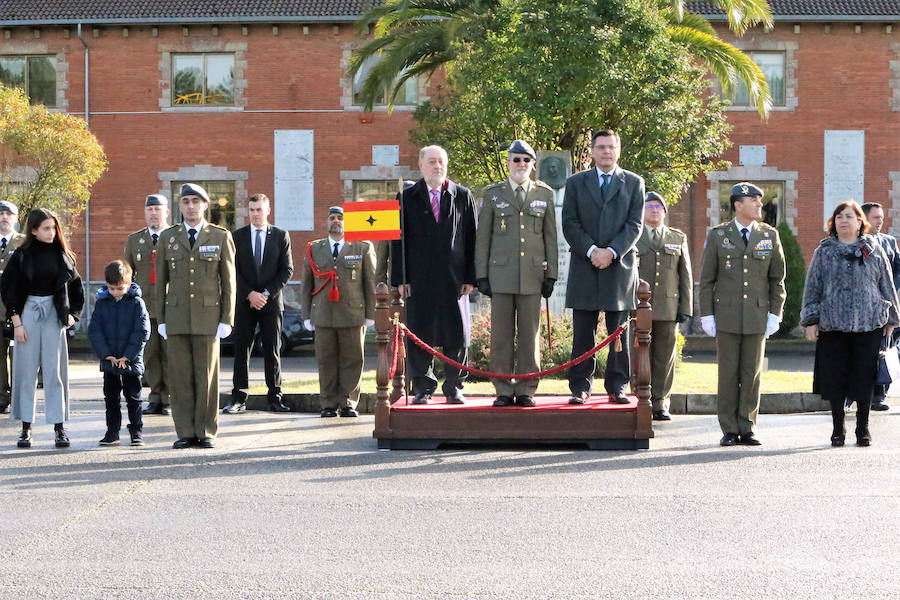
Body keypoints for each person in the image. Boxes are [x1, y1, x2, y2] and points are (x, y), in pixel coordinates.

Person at [800, 201, 899, 446]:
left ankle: (863, 428)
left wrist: (892, 319)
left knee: (864, 378)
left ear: (859, 223)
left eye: (849, 216)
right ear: (833, 223)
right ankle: (837, 427)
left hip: (869, 324)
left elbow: (886, 284)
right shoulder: (823, 252)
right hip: (833, 325)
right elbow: (813, 287)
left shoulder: (873, 250)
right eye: (839, 217)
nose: (843, 221)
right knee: (836, 377)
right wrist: (811, 320)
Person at [699, 182, 786, 446]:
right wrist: (707, 315)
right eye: (754, 201)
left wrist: (775, 313)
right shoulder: (718, 235)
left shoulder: (769, 235)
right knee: (728, 373)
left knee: (752, 373)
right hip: (726, 315)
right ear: (738, 204)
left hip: (757, 316)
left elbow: (777, 279)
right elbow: (707, 280)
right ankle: (728, 428)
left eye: (760, 201)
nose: (760, 204)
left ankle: (747, 426)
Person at [390, 145, 478, 405]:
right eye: (431, 162)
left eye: (441, 161)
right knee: (420, 333)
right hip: (419, 279)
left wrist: (471, 277)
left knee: (456, 335)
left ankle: (454, 386)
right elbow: (398, 242)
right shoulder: (406, 197)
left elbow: (473, 237)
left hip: (455, 280)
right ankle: (423, 387)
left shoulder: (462, 196)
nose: (437, 166)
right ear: (420, 166)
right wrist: (401, 278)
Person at [562, 129, 644, 405]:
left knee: (617, 333)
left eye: (611, 147)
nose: (606, 152)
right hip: (585, 266)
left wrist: (611, 251)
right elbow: (570, 223)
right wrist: (591, 251)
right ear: (592, 151)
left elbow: (635, 225)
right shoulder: (575, 183)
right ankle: (580, 387)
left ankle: (617, 385)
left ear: (618, 150)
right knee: (583, 333)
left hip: (618, 268)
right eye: (601, 147)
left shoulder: (634, 183)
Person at [475, 140, 558, 407]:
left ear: (533, 164)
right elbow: (483, 237)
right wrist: (482, 275)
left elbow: (550, 238)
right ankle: (501, 388)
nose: (521, 165)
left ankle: (526, 388)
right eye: (516, 160)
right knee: (500, 335)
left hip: (533, 275)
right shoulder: (493, 194)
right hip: (500, 274)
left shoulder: (544, 194)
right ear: (508, 163)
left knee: (529, 335)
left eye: (526, 160)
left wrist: (551, 275)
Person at [155, 183, 236, 449]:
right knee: (180, 377)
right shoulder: (169, 237)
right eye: (186, 201)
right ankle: (185, 431)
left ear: (205, 205)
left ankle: (206, 430)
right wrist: (162, 319)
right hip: (177, 317)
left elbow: (229, 281)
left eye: (195, 201)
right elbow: (160, 282)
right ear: (179, 206)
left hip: (208, 317)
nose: (190, 206)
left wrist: (227, 318)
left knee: (207, 377)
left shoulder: (220, 236)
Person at [0, 208, 84, 448]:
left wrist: (72, 316)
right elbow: (8, 288)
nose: (51, 233)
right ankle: (26, 427)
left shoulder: (63, 255)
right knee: (25, 371)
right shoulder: (21, 255)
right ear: (34, 230)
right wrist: (16, 321)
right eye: (46, 228)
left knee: (55, 372)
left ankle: (59, 427)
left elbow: (76, 288)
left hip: (54, 315)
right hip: (27, 312)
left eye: (53, 228)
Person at [301, 206, 375, 417]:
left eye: (340, 218)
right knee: (326, 360)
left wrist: (370, 314)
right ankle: (328, 403)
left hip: (352, 313)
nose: (336, 221)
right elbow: (307, 284)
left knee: (353, 359)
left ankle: (348, 402)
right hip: (323, 314)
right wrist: (306, 315)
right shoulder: (314, 248)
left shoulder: (361, 247)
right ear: (327, 222)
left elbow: (369, 283)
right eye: (332, 217)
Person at [223, 193, 294, 414]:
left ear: (268, 210)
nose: (255, 214)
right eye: (252, 210)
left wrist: (264, 293)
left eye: (259, 210)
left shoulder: (281, 235)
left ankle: (275, 397)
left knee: (272, 350)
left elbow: (287, 270)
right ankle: (238, 398)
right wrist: (250, 294)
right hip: (245, 303)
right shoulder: (237, 236)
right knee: (242, 349)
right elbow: (231, 270)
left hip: (271, 303)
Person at [635, 191, 692, 421]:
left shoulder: (677, 238)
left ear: (665, 212)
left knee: (664, 356)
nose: (654, 210)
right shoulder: (634, 236)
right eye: (650, 206)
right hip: (638, 307)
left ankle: (660, 402)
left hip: (668, 306)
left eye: (659, 207)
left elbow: (685, 275)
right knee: (638, 354)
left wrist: (685, 308)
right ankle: (639, 398)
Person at [88, 260, 151, 446]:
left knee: (134, 398)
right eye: (112, 289)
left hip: (130, 360)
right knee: (111, 398)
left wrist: (128, 356)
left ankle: (136, 431)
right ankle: (112, 432)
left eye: (120, 289)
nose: (116, 293)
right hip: (111, 360)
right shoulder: (102, 303)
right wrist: (106, 354)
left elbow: (142, 331)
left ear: (129, 284)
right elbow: (95, 331)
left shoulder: (137, 303)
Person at [124, 194, 171, 416]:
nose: (154, 214)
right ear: (145, 213)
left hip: (172, 306)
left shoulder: (174, 237)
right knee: (150, 354)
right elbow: (127, 274)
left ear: (166, 212)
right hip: (145, 307)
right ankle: (155, 396)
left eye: (158, 209)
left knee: (171, 354)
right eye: (150, 210)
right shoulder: (135, 240)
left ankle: (169, 398)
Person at [859, 202, 899, 412]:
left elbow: (898, 271)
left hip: (887, 305)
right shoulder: (857, 243)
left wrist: (892, 294)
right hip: (863, 308)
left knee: (885, 350)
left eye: (881, 217)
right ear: (864, 219)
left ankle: (879, 394)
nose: (880, 221)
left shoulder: (890, 242)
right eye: (875, 217)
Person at [0, 200, 25, 414]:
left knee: (19, 356)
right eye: (1, 213)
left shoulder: (25, 243)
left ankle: (19, 397)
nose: (4, 217)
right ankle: (1, 397)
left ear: (16, 218)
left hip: (18, 309)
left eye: (9, 214)